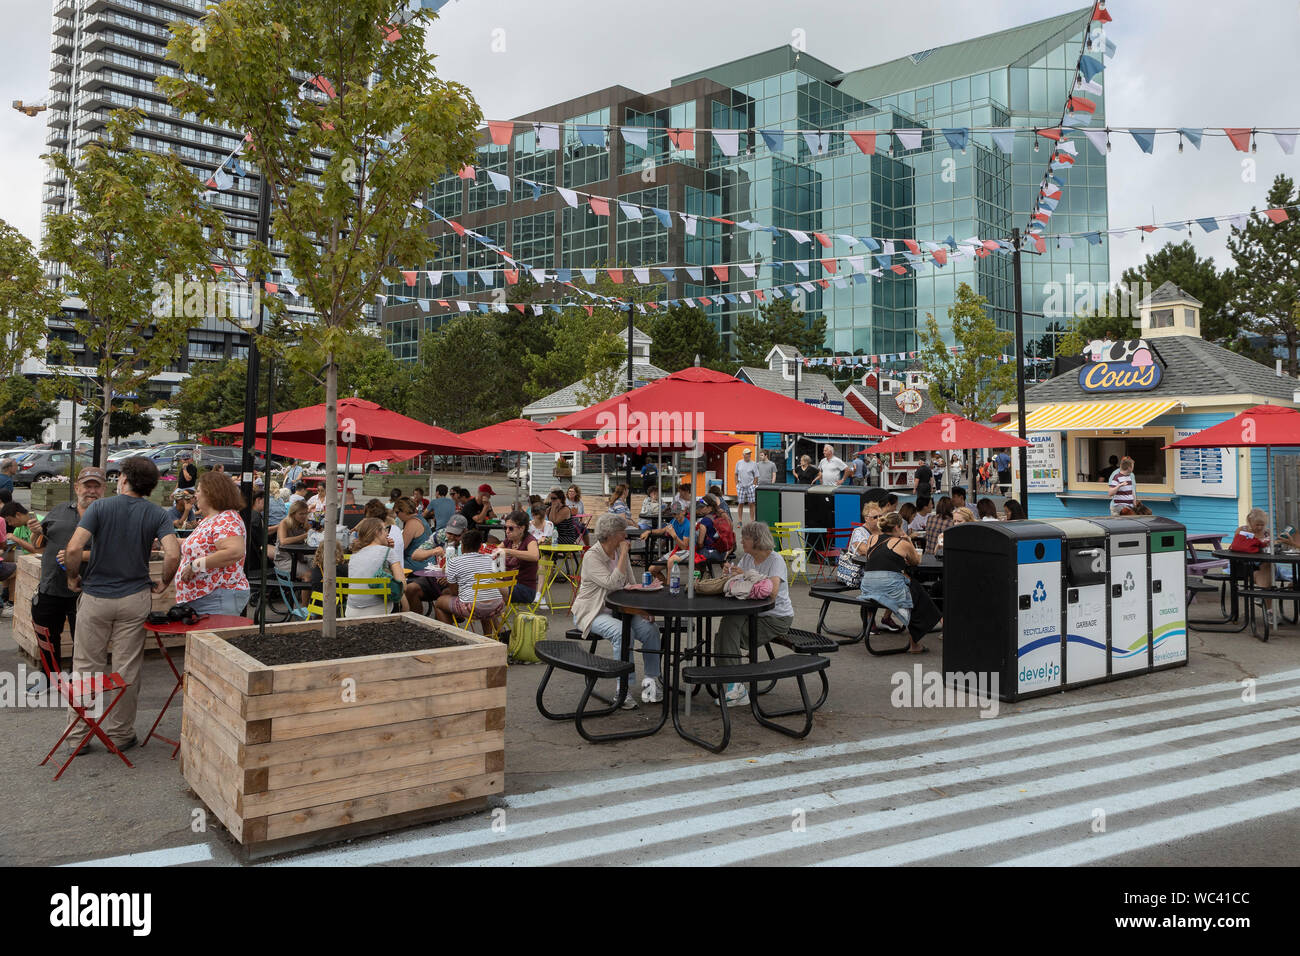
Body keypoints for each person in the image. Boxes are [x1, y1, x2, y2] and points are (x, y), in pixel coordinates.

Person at [61, 456, 179, 755]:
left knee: (86, 667)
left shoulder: (100, 507)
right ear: (151, 487)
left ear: (123, 478)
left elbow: (74, 547)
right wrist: (165, 581)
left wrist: (73, 577)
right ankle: (120, 734)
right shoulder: (157, 513)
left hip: (97, 596)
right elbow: (173, 554)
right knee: (127, 669)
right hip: (134, 596)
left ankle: (78, 737)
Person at [573, 511, 662, 706]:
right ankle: (623, 689)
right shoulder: (592, 556)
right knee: (623, 633)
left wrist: (641, 609)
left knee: (650, 630)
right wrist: (623, 555)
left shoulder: (620, 553)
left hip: (621, 610)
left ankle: (652, 680)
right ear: (612, 534)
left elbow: (630, 584)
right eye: (623, 532)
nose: (626, 537)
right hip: (592, 612)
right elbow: (612, 584)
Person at [24, 468, 105, 669]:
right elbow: (39, 545)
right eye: (88, 486)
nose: (92, 491)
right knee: (47, 639)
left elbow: (116, 553)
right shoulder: (59, 510)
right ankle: (49, 676)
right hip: (51, 588)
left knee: (85, 642)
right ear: (77, 488)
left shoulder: (108, 517)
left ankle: (77, 677)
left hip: (87, 591)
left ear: (104, 489)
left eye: (97, 486)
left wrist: (77, 555)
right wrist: (35, 532)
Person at [709, 521, 794, 705]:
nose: (741, 541)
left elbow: (771, 592)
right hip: (752, 613)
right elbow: (739, 584)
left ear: (756, 539)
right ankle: (734, 685)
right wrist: (730, 573)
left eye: (745, 537)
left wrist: (746, 574)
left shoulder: (775, 560)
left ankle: (735, 686)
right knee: (727, 628)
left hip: (775, 617)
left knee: (725, 634)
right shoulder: (747, 558)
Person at [857, 512, 940, 654]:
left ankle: (890, 622)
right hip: (888, 586)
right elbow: (916, 561)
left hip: (868, 585)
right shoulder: (901, 543)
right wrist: (907, 539)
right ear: (897, 527)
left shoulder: (871, 538)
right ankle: (915, 644)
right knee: (917, 594)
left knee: (913, 588)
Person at [173, 471, 250, 616]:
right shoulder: (212, 518)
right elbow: (201, 546)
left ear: (211, 493)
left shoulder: (227, 519)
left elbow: (234, 552)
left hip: (217, 597)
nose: (196, 495)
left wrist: (195, 565)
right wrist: (169, 541)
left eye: (198, 491)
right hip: (207, 598)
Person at [435, 529, 503, 627]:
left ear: (462, 546)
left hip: (473, 608)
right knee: (482, 596)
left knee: (439, 602)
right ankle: (489, 636)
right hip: (497, 606)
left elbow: (454, 592)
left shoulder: (454, 562)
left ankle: (449, 634)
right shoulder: (490, 559)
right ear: (480, 546)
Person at [345, 517, 407, 617]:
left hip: (351, 611)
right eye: (385, 529)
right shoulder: (389, 552)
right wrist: (389, 551)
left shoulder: (354, 556)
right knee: (403, 601)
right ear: (378, 532)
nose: (387, 533)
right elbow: (403, 586)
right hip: (378, 610)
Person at [640, 501, 692, 584]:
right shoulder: (674, 521)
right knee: (652, 569)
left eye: (677, 513)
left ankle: (669, 587)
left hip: (689, 550)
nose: (675, 516)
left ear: (683, 512)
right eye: (674, 514)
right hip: (678, 550)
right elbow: (662, 531)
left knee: (671, 561)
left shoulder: (688, 525)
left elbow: (685, 547)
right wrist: (649, 531)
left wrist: (674, 536)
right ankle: (666, 585)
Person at [498, 510, 540, 606]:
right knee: (485, 585)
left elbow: (534, 556)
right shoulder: (508, 541)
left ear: (522, 528)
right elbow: (495, 552)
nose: (507, 531)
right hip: (507, 584)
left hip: (525, 589)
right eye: (505, 528)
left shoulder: (530, 540)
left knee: (490, 587)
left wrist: (509, 551)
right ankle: (492, 617)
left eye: (511, 528)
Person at [274, 500, 312, 581]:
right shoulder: (284, 523)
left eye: (306, 513)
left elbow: (311, 536)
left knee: (319, 571)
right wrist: (304, 535)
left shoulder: (304, 523)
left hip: (300, 558)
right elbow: (283, 541)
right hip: (284, 560)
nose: (304, 516)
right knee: (308, 575)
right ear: (293, 514)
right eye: (301, 514)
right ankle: (300, 593)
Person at [393, 497, 433, 565]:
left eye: (397, 512)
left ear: (404, 510)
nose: (397, 516)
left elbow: (400, 547)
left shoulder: (412, 523)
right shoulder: (420, 519)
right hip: (427, 561)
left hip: (418, 563)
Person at [733, 447, 760, 526]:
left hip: (750, 486)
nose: (749, 455)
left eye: (750, 454)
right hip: (741, 486)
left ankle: (752, 520)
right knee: (740, 503)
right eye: (747, 454)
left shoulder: (753, 464)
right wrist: (736, 484)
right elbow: (735, 474)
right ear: (743, 455)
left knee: (751, 503)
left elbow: (756, 476)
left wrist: (754, 485)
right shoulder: (739, 463)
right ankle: (740, 521)